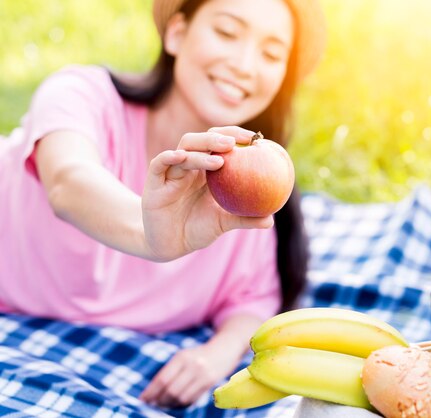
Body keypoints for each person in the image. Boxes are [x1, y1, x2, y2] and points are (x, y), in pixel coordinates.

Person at [0, 0, 325, 409]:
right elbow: (67, 181)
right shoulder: (81, 94)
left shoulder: (247, 193)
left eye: (271, 54)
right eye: (227, 32)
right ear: (177, 33)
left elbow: (253, 302)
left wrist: (215, 356)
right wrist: (150, 235)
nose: (245, 64)